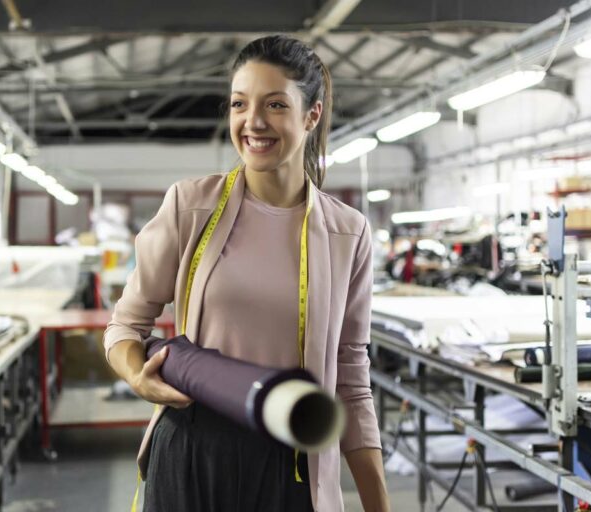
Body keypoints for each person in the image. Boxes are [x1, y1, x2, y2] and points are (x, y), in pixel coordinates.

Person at [104, 34, 390, 512]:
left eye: (275, 104)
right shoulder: (191, 206)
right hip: (193, 452)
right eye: (240, 104)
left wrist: (377, 504)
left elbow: (351, 380)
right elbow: (124, 326)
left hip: (292, 467)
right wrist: (138, 376)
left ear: (311, 114)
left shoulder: (347, 233)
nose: (253, 122)